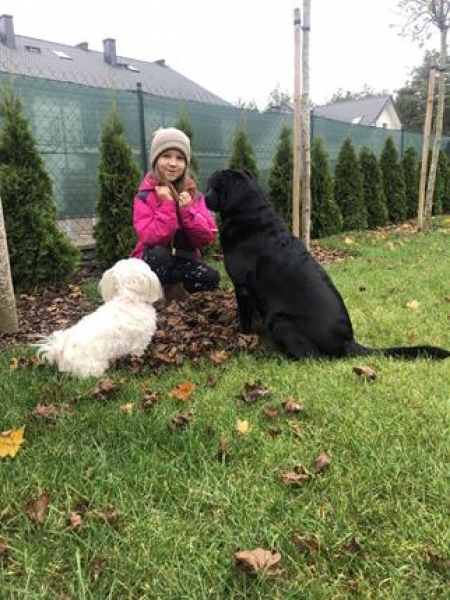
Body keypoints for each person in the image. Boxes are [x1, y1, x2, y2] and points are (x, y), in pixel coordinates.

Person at [130, 127, 220, 294]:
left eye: (180, 158)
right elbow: (150, 237)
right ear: (155, 159)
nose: (173, 163)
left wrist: (188, 211)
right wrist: (167, 205)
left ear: (186, 164)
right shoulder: (144, 196)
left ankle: (177, 294)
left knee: (210, 277)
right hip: (152, 261)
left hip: (183, 260)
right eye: (166, 156)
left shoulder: (195, 196)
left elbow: (205, 237)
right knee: (159, 255)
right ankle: (155, 297)